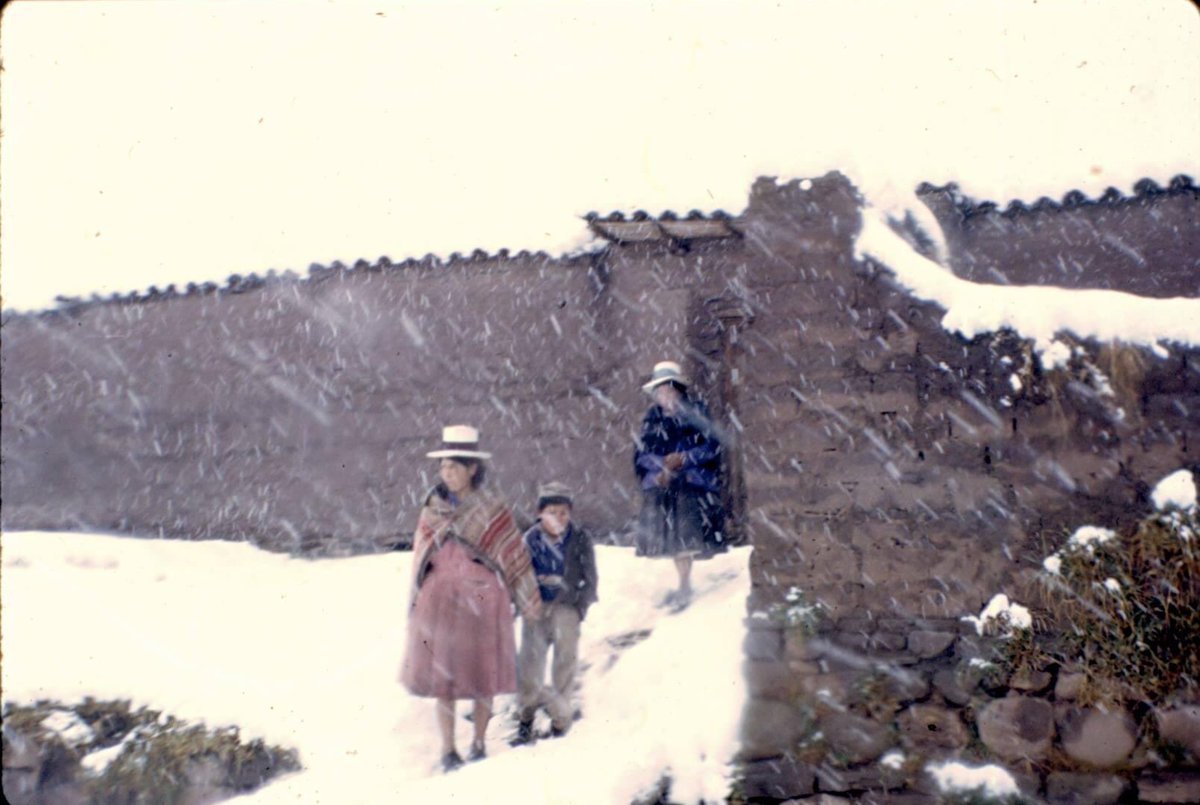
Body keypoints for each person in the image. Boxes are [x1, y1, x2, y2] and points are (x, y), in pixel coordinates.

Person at [400, 425, 542, 773]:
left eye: (454, 467)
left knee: (482, 672)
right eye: (443, 467)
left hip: (481, 598)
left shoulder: (492, 508)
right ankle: (448, 749)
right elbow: (420, 556)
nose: (446, 474)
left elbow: (512, 554)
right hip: (440, 598)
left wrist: (527, 598)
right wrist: (415, 597)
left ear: (472, 469)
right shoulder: (432, 506)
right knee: (442, 676)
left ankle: (479, 743)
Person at [633, 360, 727, 610]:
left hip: (692, 484)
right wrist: (662, 465)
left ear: (678, 390)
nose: (665, 396)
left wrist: (684, 459)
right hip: (664, 486)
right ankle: (681, 582)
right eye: (660, 392)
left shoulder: (696, 413)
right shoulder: (652, 419)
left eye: (669, 390)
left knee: (686, 534)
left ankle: (685, 583)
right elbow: (641, 454)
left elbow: (712, 447)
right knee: (673, 538)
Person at [511, 482, 599, 746]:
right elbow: (518, 575)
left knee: (565, 661)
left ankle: (561, 720)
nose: (558, 518)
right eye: (552, 512)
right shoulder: (530, 540)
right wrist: (524, 601)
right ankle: (525, 717)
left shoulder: (580, 538)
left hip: (566, 606)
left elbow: (590, 576)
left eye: (563, 512)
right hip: (535, 609)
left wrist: (579, 605)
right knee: (530, 664)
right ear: (539, 513)